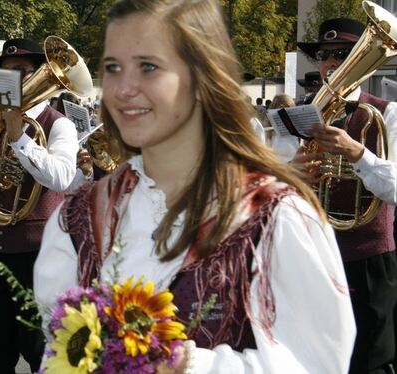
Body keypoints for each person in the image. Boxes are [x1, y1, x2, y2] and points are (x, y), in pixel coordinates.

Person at [33, 1, 355, 373]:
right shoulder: (76, 218)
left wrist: (189, 363)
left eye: (149, 66)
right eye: (113, 68)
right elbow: (58, 351)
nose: (123, 89)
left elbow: (319, 363)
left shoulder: (277, 216)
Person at [0, 38, 79, 373]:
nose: (14, 80)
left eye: (21, 72)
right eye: (6, 74)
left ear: (39, 73)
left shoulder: (58, 124)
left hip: (40, 255)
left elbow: (63, 178)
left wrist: (18, 138)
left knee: (45, 354)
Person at [294, 18, 397, 374]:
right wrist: (290, 172)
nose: (331, 63)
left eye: (342, 54)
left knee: (370, 361)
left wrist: (358, 153)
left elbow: (396, 188)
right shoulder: (295, 117)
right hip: (311, 253)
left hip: (367, 257)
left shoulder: (387, 113)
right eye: (325, 55)